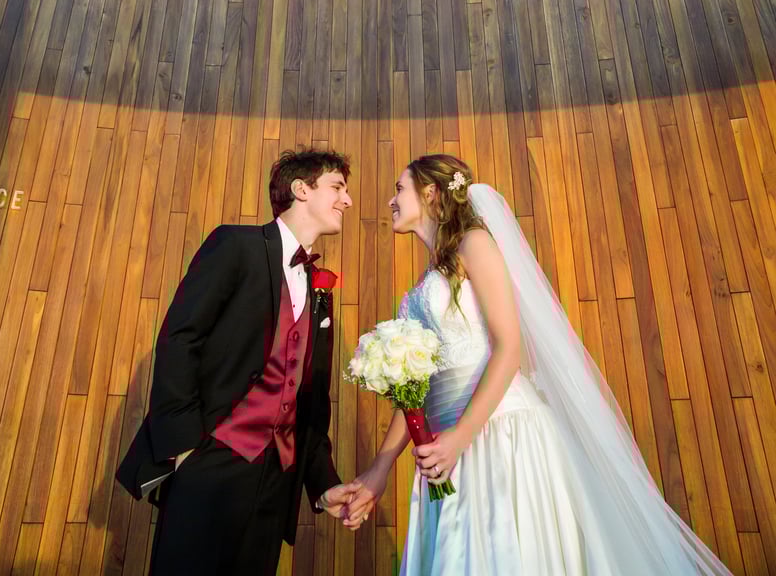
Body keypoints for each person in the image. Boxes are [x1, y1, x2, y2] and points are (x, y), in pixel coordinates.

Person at [348, 154, 736, 576]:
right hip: (446, 453)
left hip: (498, 435)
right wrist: (379, 470)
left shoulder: (474, 244)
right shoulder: (424, 283)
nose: (391, 200)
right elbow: (415, 392)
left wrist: (461, 437)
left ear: (430, 192)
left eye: (399, 189)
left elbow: (508, 348)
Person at [116, 147, 367, 576]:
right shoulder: (235, 245)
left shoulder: (320, 291)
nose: (347, 200)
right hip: (210, 459)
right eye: (337, 187)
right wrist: (185, 449)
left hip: (276, 481)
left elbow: (308, 398)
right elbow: (180, 338)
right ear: (301, 189)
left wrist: (323, 483)